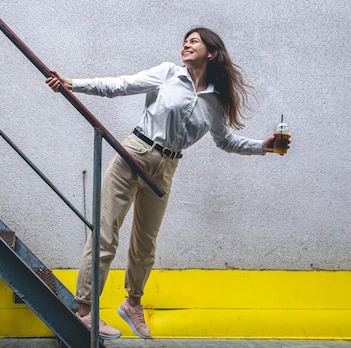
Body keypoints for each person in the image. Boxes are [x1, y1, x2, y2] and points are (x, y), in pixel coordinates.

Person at [45, 27, 288, 340]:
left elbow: (225, 140)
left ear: (211, 53)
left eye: (195, 41)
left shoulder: (215, 101)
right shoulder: (167, 73)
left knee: (145, 243)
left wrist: (262, 146)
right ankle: (85, 309)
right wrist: (72, 84)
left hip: (167, 166)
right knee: (106, 233)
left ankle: (132, 304)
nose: (186, 44)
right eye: (185, 41)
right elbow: (120, 85)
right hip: (134, 153)